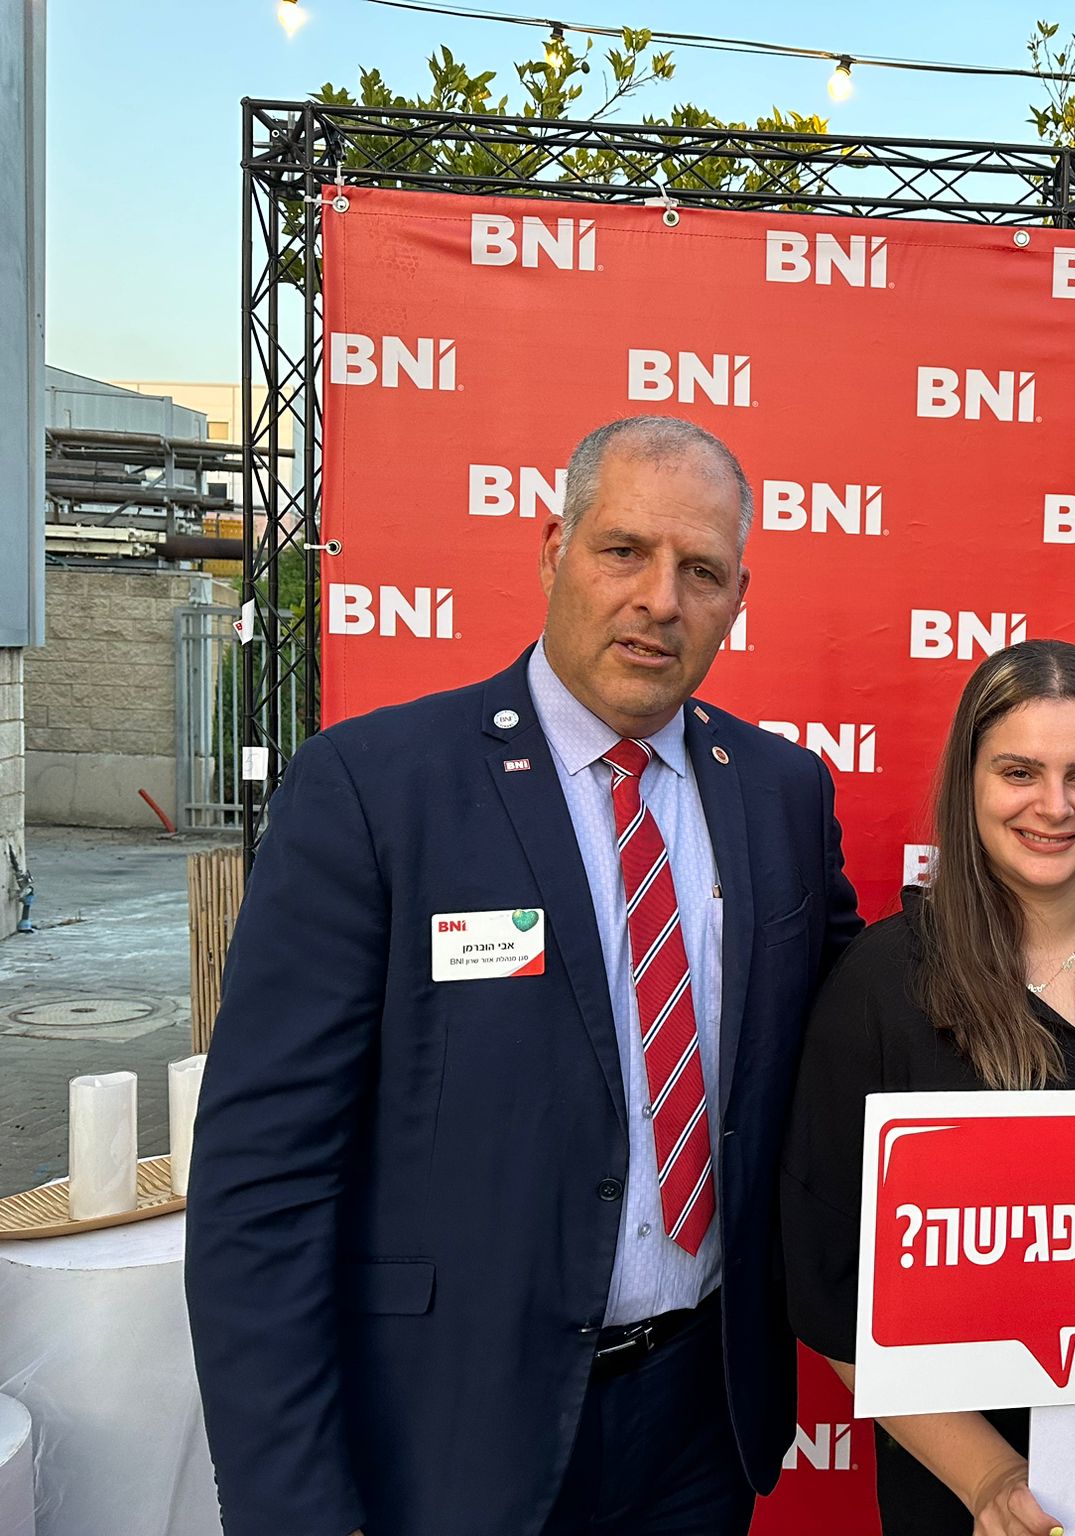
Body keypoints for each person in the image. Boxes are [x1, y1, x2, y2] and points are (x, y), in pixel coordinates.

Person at [186, 415, 863, 1536]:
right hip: (449, 1434)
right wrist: (291, 1507)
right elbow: (264, 1180)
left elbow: (855, 1036)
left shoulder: (782, 793)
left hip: (701, 1422)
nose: (659, 600)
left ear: (737, 598)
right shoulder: (375, 788)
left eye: (700, 571)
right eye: (623, 551)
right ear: (554, 550)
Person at [781, 639, 1075, 1536]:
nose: (1054, 806)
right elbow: (831, 1287)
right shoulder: (886, 978)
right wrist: (992, 1478)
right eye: (1019, 772)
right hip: (982, 1501)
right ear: (968, 782)